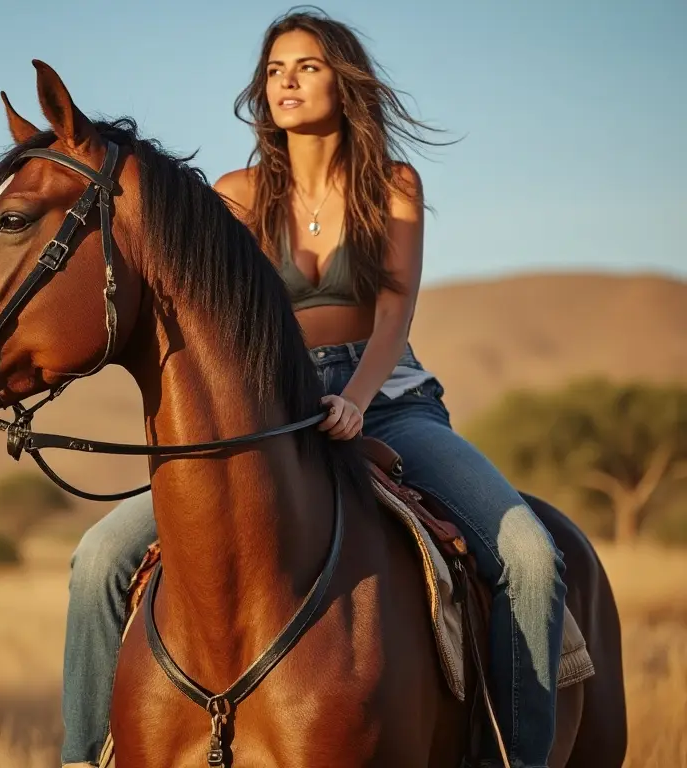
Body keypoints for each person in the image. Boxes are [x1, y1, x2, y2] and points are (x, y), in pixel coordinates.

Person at [60, 8, 567, 768]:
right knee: (100, 556)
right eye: (274, 71)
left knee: (530, 554)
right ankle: (79, 757)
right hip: (273, 415)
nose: (286, 83)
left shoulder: (393, 183)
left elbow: (395, 311)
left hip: (388, 401)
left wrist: (357, 399)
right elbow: (218, 315)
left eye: (306, 67)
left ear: (344, 81)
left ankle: (517, 758)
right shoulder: (237, 192)